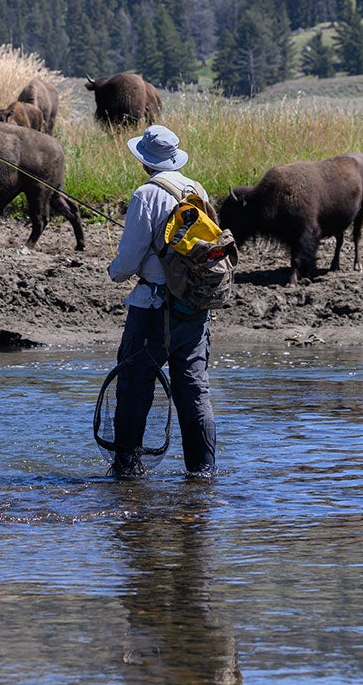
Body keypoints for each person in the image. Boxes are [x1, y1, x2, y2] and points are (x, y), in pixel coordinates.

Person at [106, 124, 217, 477]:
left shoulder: (145, 195)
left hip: (152, 309)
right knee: (194, 391)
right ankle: (203, 473)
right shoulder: (195, 188)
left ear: (145, 162)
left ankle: (127, 470)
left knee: (135, 387)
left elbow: (126, 263)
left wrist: (114, 272)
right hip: (195, 308)